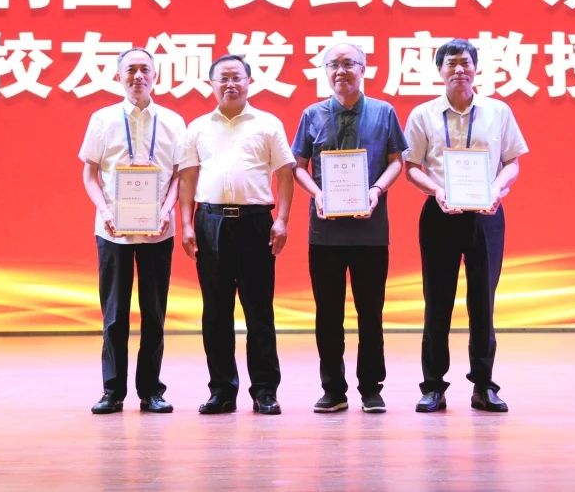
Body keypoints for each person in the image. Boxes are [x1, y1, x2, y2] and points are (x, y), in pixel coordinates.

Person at [403, 38, 529, 413]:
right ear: (440, 71)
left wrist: (497, 188)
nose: (459, 69)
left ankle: (484, 386)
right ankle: (433, 387)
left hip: (486, 216)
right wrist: (438, 190)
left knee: (482, 303)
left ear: (476, 68)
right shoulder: (423, 114)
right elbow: (412, 167)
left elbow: (513, 161)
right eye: (451, 63)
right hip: (439, 214)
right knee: (436, 302)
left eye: (465, 63)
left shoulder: (498, 111)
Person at [291, 43, 406, 414]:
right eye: (333, 65)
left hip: (370, 231)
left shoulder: (384, 112)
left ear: (363, 68)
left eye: (348, 64)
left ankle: (371, 388)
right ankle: (333, 389)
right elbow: (297, 166)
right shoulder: (312, 114)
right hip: (325, 232)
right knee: (328, 314)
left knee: (371, 313)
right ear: (325, 71)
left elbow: (396, 161)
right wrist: (317, 194)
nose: (341, 71)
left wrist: (376, 190)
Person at [178, 54, 295, 415]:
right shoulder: (198, 127)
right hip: (210, 221)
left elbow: (285, 174)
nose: (230, 84)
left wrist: (282, 219)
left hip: (255, 222)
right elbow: (188, 177)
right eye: (223, 78)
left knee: (259, 310)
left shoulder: (268, 123)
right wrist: (186, 224)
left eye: (237, 77)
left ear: (248, 82)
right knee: (215, 311)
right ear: (211, 84)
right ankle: (222, 391)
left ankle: (264, 391)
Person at [80, 48, 187, 414]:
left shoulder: (173, 121)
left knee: (154, 313)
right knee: (114, 315)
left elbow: (179, 175)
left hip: (158, 231)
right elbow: (89, 174)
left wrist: (166, 210)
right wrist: (105, 210)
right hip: (113, 231)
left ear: (155, 76)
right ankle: (112, 391)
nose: (138, 76)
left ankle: (151, 391)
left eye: (145, 70)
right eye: (131, 70)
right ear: (118, 76)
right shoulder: (102, 119)